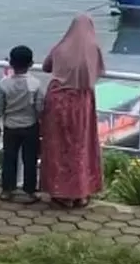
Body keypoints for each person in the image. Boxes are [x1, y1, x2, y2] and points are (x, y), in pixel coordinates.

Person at [40, 13, 105, 208]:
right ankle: (81, 194)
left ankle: (61, 193)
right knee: (80, 147)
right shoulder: (94, 49)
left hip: (58, 100)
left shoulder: (61, 47)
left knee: (57, 146)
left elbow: (45, 67)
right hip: (81, 103)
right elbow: (99, 72)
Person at [0, 45, 43, 204]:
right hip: (30, 126)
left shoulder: (4, 84)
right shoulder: (35, 84)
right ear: (31, 64)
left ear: (11, 63)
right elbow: (40, 108)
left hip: (10, 126)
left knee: (9, 158)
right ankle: (30, 191)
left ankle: (7, 190)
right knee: (30, 160)